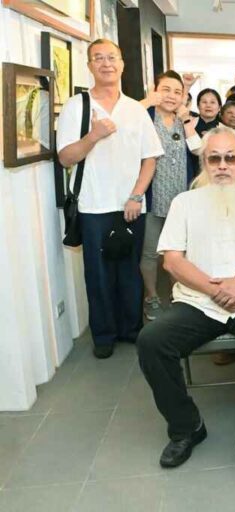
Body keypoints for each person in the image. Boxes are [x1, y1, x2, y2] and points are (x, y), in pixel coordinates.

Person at [136, 126, 235, 482]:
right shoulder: (184, 203)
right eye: (214, 158)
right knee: (151, 341)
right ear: (203, 162)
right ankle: (186, 427)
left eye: (230, 158)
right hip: (198, 299)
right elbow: (172, 260)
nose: (222, 166)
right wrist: (214, 288)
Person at [57, 39, 164, 359]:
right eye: (98, 58)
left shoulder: (135, 109)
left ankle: (131, 329)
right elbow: (65, 157)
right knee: (99, 274)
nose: (106, 64)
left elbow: (150, 158)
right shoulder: (78, 106)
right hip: (93, 206)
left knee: (129, 270)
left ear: (122, 64)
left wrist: (136, 195)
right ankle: (103, 335)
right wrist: (93, 136)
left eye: (112, 58)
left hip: (132, 205)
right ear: (89, 65)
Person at [140, 71, 202, 321]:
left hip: (182, 198)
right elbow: (125, 120)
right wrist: (148, 101)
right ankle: (151, 297)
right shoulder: (144, 116)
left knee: (181, 252)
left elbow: (198, 151)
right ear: (155, 90)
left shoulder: (186, 120)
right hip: (153, 197)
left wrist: (187, 123)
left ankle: (181, 296)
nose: (171, 96)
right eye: (166, 89)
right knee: (150, 253)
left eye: (177, 92)